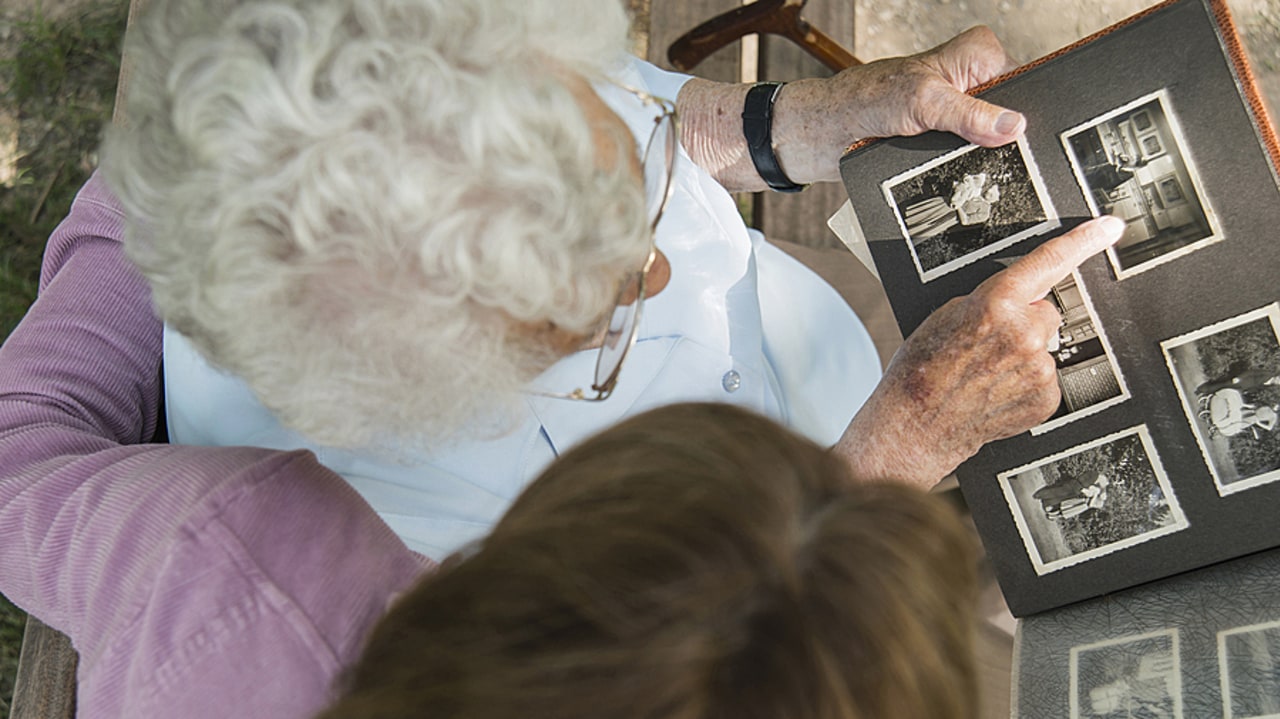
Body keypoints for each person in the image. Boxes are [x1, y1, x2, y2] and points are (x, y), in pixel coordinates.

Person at [99, 0, 1122, 560]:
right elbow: (680, 667)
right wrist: (905, 436)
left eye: (626, 182)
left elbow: (652, 106)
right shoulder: (339, 504)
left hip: (815, 338)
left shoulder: (435, 47)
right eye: (594, 323)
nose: (663, 269)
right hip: (800, 568)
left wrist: (823, 117)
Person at [0, 193, 984, 717]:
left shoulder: (237, 577)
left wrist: (185, 177)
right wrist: (886, 447)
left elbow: (16, 463)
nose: (646, 276)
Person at [903, 172, 1002, 243]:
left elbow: (965, 221)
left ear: (997, 199)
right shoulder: (977, 192)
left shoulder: (985, 213)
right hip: (943, 204)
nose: (989, 192)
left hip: (949, 217)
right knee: (912, 216)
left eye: (993, 193)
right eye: (990, 189)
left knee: (918, 230)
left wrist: (958, 207)